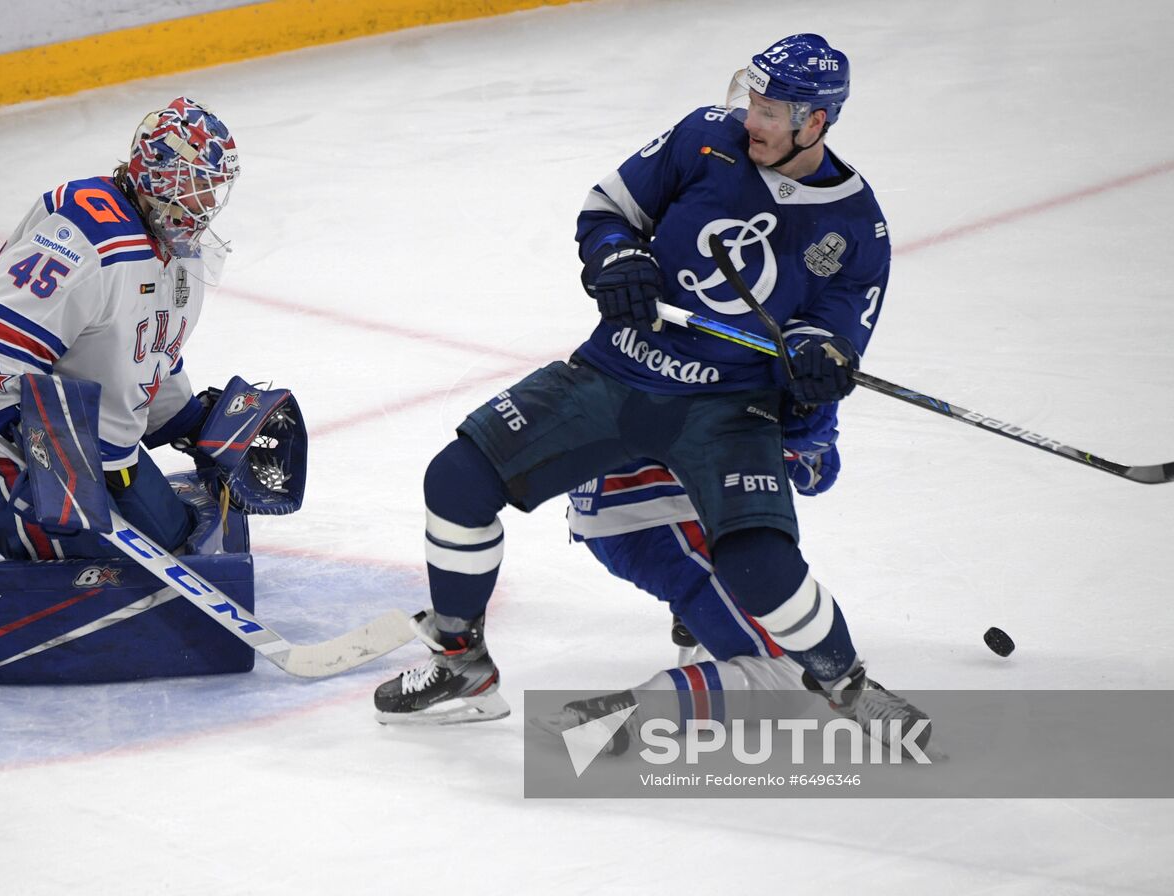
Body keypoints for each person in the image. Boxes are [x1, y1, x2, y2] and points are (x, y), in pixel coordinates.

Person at [373, 34, 929, 744]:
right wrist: (618, 258)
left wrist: (817, 362)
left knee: (761, 567)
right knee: (456, 481)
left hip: (728, 412)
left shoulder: (856, 226)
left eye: (771, 110)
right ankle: (461, 662)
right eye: (752, 99)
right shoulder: (704, 140)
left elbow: (834, 334)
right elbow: (606, 210)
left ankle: (844, 682)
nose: (751, 118)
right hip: (616, 371)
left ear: (815, 122)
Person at [0, 97, 245, 560]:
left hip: (101, 457)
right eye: (198, 186)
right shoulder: (86, 233)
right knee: (134, 570)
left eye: (214, 189)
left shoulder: (178, 252)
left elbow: (146, 355)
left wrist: (193, 424)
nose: (209, 204)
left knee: (182, 545)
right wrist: (41, 445)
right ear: (158, 175)